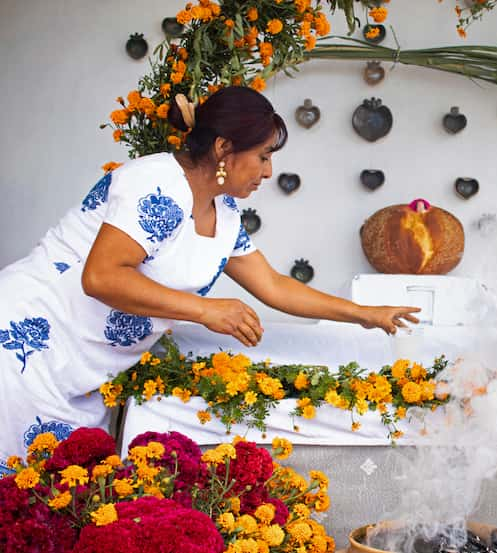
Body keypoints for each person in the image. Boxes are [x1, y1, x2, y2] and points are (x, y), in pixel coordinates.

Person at [0, 86, 419, 468]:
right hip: (31, 349)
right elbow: (102, 276)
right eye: (264, 156)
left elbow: (272, 285)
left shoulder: (225, 215)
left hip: (83, 375)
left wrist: (364, 313)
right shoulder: (157, 182)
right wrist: (205, 310)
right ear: (224, 148)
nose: (269, 171)